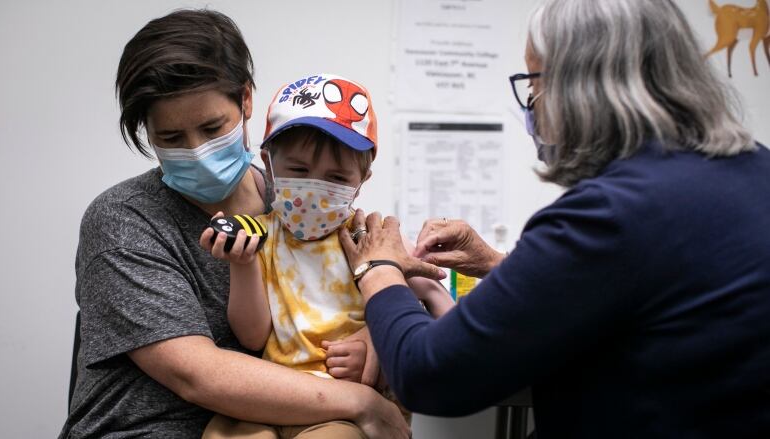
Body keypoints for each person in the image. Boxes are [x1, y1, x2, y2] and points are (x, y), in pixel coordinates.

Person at [337, 0, 770, 438]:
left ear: (581, 86)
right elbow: (644, 284)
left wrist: (379, 269)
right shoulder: (757, 170)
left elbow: (428, 375)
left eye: (534, 83)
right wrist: (496, 263)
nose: (532, 105)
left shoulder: (608, 213)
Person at [60, 11, 409, 439]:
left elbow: (374, 299)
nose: (198, 151)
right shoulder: (123, 220)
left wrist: (375, 326)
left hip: (301, 421)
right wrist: (363, 403)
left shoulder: (300, 204)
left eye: (212, 127)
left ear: (245, 101)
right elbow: (197, 374)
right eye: (171, 138)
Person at [199, 74, 454, 438]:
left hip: (346, 410)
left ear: (362, 179)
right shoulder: (261, 235)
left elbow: (442, 320)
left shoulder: (371, 242)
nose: (314, 187)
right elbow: (253, 338)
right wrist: (243, 265)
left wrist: (375, 335)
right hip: (277, 395)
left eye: (336, 177)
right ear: (269, 164)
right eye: (299, 171)